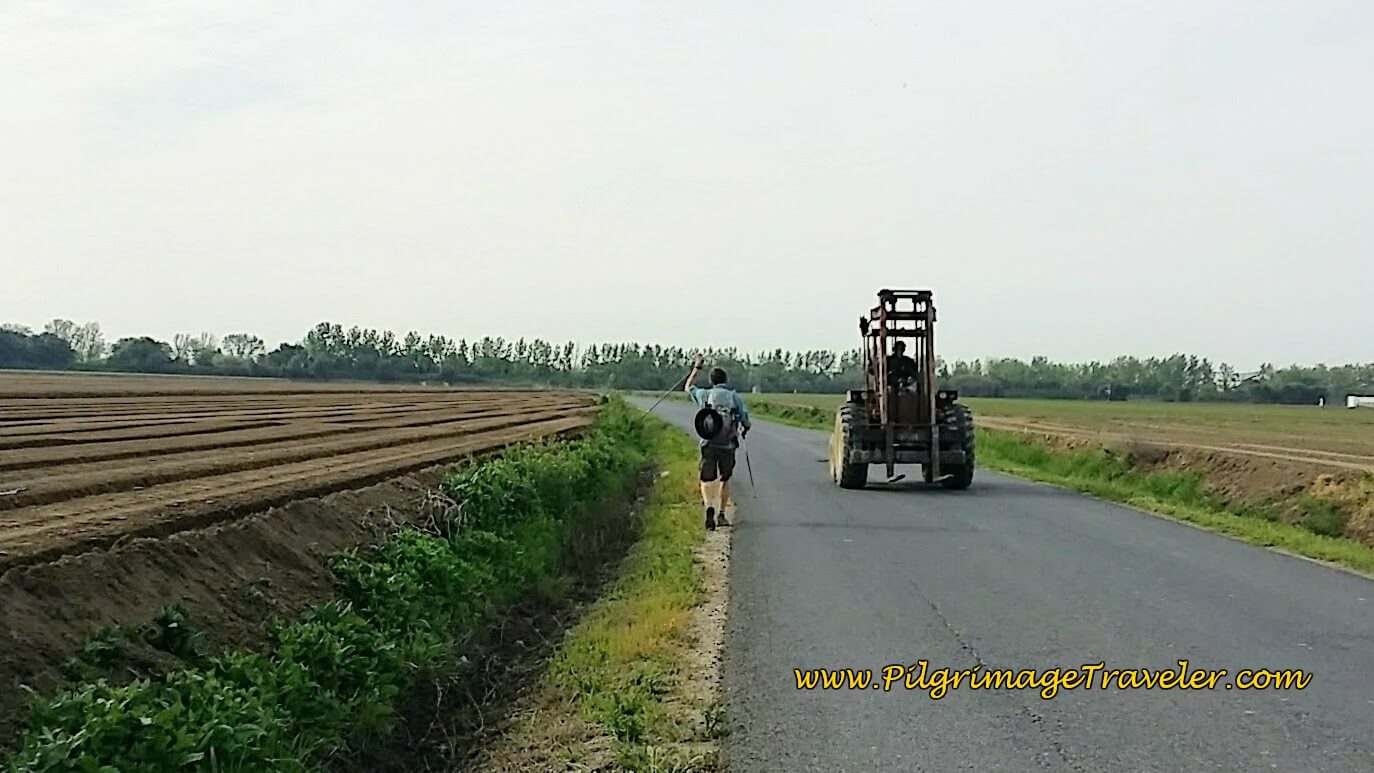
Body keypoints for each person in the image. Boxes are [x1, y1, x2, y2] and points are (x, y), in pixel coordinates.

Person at [685, 353, 751, 531]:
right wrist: (743, 429)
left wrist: (697, 367)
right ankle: (721, 514)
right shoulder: (734, 397)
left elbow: (688, 386)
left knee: (706, 479)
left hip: (708, 443)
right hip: (728, 444)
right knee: (725, 478)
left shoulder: (705, 395)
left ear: (712, 381)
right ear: (726, 380)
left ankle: (709, 507)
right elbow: (745, 421)